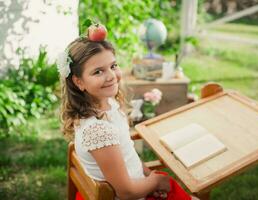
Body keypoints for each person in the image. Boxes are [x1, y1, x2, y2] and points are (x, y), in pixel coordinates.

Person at [58, 27, 198, 200]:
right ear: (79, 82)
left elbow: (127, 152)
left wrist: (147, 175)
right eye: (98, 71)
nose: (111, 76)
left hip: (140, 183)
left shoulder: (110, 104)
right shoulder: (98, 131)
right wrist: (155, 182)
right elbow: (126, 192)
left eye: (113, 66)